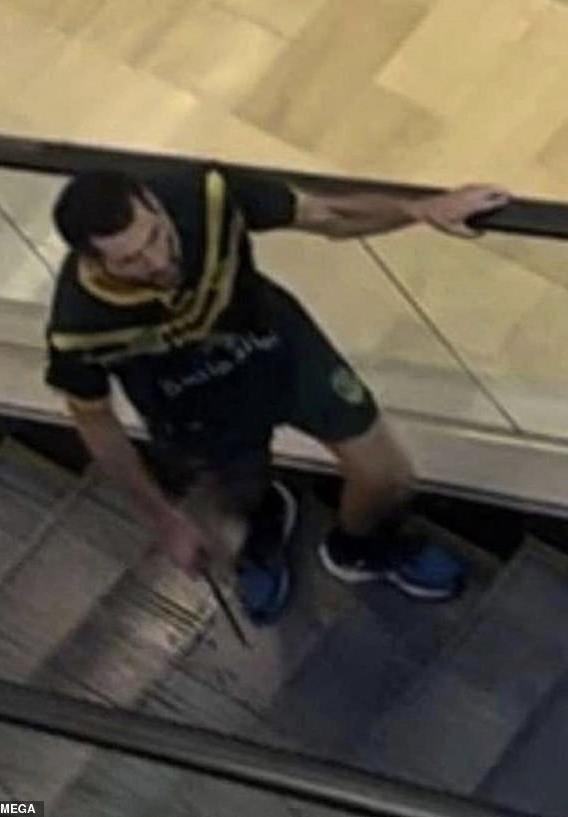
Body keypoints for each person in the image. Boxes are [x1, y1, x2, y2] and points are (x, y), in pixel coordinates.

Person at [45, 163, 509, 624]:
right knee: (239, 497)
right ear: (91, 260)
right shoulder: (79, 326)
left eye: (155, 235)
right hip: (193, 404)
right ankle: (264, 526)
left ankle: (358, 549)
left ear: (153, 203)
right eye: (130, 260)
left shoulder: (206, 196)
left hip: (277, 347)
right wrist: (163, 520)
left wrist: (420, 209)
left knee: (388, 477)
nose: (158, 261)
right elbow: (96, 422)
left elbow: (326, 214)